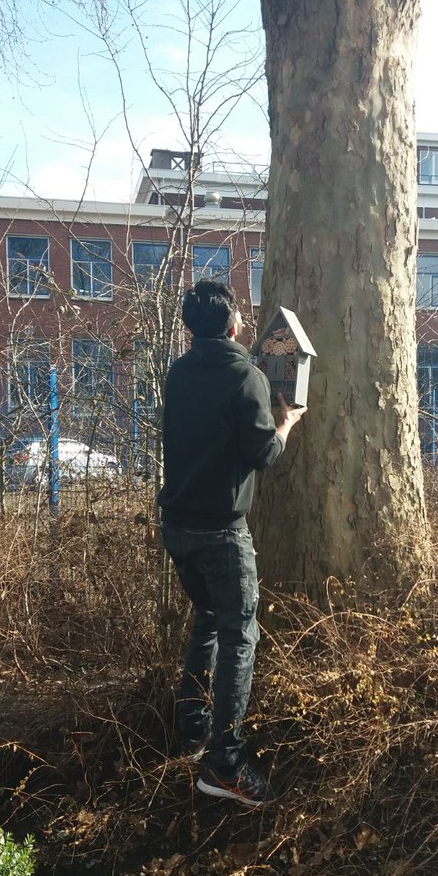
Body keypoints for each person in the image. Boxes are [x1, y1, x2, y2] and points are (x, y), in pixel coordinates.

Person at [159, 279, 306, 807]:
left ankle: (192, 729)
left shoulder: (177, 374)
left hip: (177, 527)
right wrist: (285, 423)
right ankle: (224, 763)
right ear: (234, 324)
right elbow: (264, 454)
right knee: (241, 636)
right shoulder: (245, 376)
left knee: (207, 619)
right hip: (222, 532)